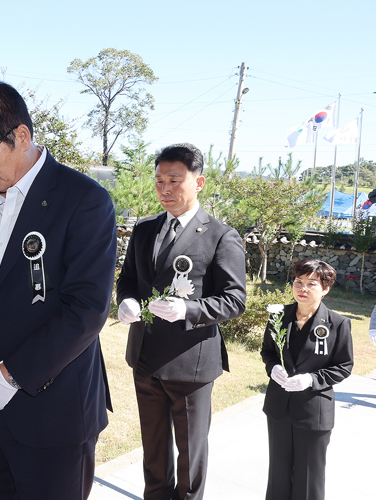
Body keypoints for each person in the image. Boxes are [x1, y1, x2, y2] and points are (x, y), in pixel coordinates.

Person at [0, 81, 116, 500]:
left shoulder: (84, 200)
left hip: (54, 412)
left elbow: (86, 309)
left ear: (20, 136)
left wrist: (10, 375)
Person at [115, 143, 246, 500]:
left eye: (175, 180)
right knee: (153, 452)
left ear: (199, 181)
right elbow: (127, 279)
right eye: (159, 181)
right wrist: (125, 300)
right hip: (144, 358)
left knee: (190, 457)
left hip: (191, 364)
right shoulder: (144, 229)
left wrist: (188, 310)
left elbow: (234, 301)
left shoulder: (221, 235)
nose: (165, 190)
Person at [261, 259, 353, 500]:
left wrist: (311, 379)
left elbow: (344, 366)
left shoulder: (338, 323)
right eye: (298, 282)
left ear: (326, 288)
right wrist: (273, 368)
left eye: (311, 283)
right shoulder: (279, 315)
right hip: (279, 407)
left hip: (314, 411)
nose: (302, 288)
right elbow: (268, 352)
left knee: (308, 477)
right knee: (278, 474)